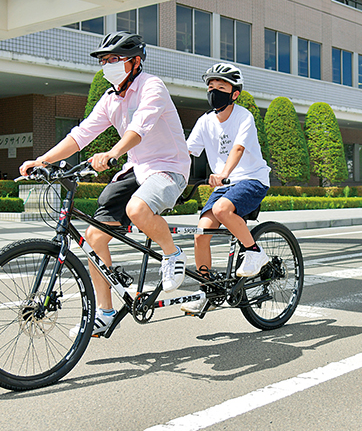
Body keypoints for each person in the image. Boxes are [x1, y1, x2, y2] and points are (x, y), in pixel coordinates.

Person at [19, 32, 190, 336]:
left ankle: (172, 253)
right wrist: (42, 160)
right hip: (136, 170)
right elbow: (80, 135)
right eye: (104, 61)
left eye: (114, 59)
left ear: (135, 62)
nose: (107, 66)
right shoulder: (111, 98)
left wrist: (112, 152)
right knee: (94, 238)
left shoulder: (152, 86)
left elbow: (139, 129)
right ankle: (106, 312)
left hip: (169, 168)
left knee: (137, 209)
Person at [181, 63, 271, 314]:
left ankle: (254, 252)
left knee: (222, 209)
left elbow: (238, 149)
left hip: (252, 179)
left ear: (234, 94)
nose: (214, 92)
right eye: (211, 87)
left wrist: (222, 173)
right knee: (201, 234)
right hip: (225, 185)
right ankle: (206, 290)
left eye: (221, 87)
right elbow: (188, 151)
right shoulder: (205, 121)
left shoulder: (244, 116)